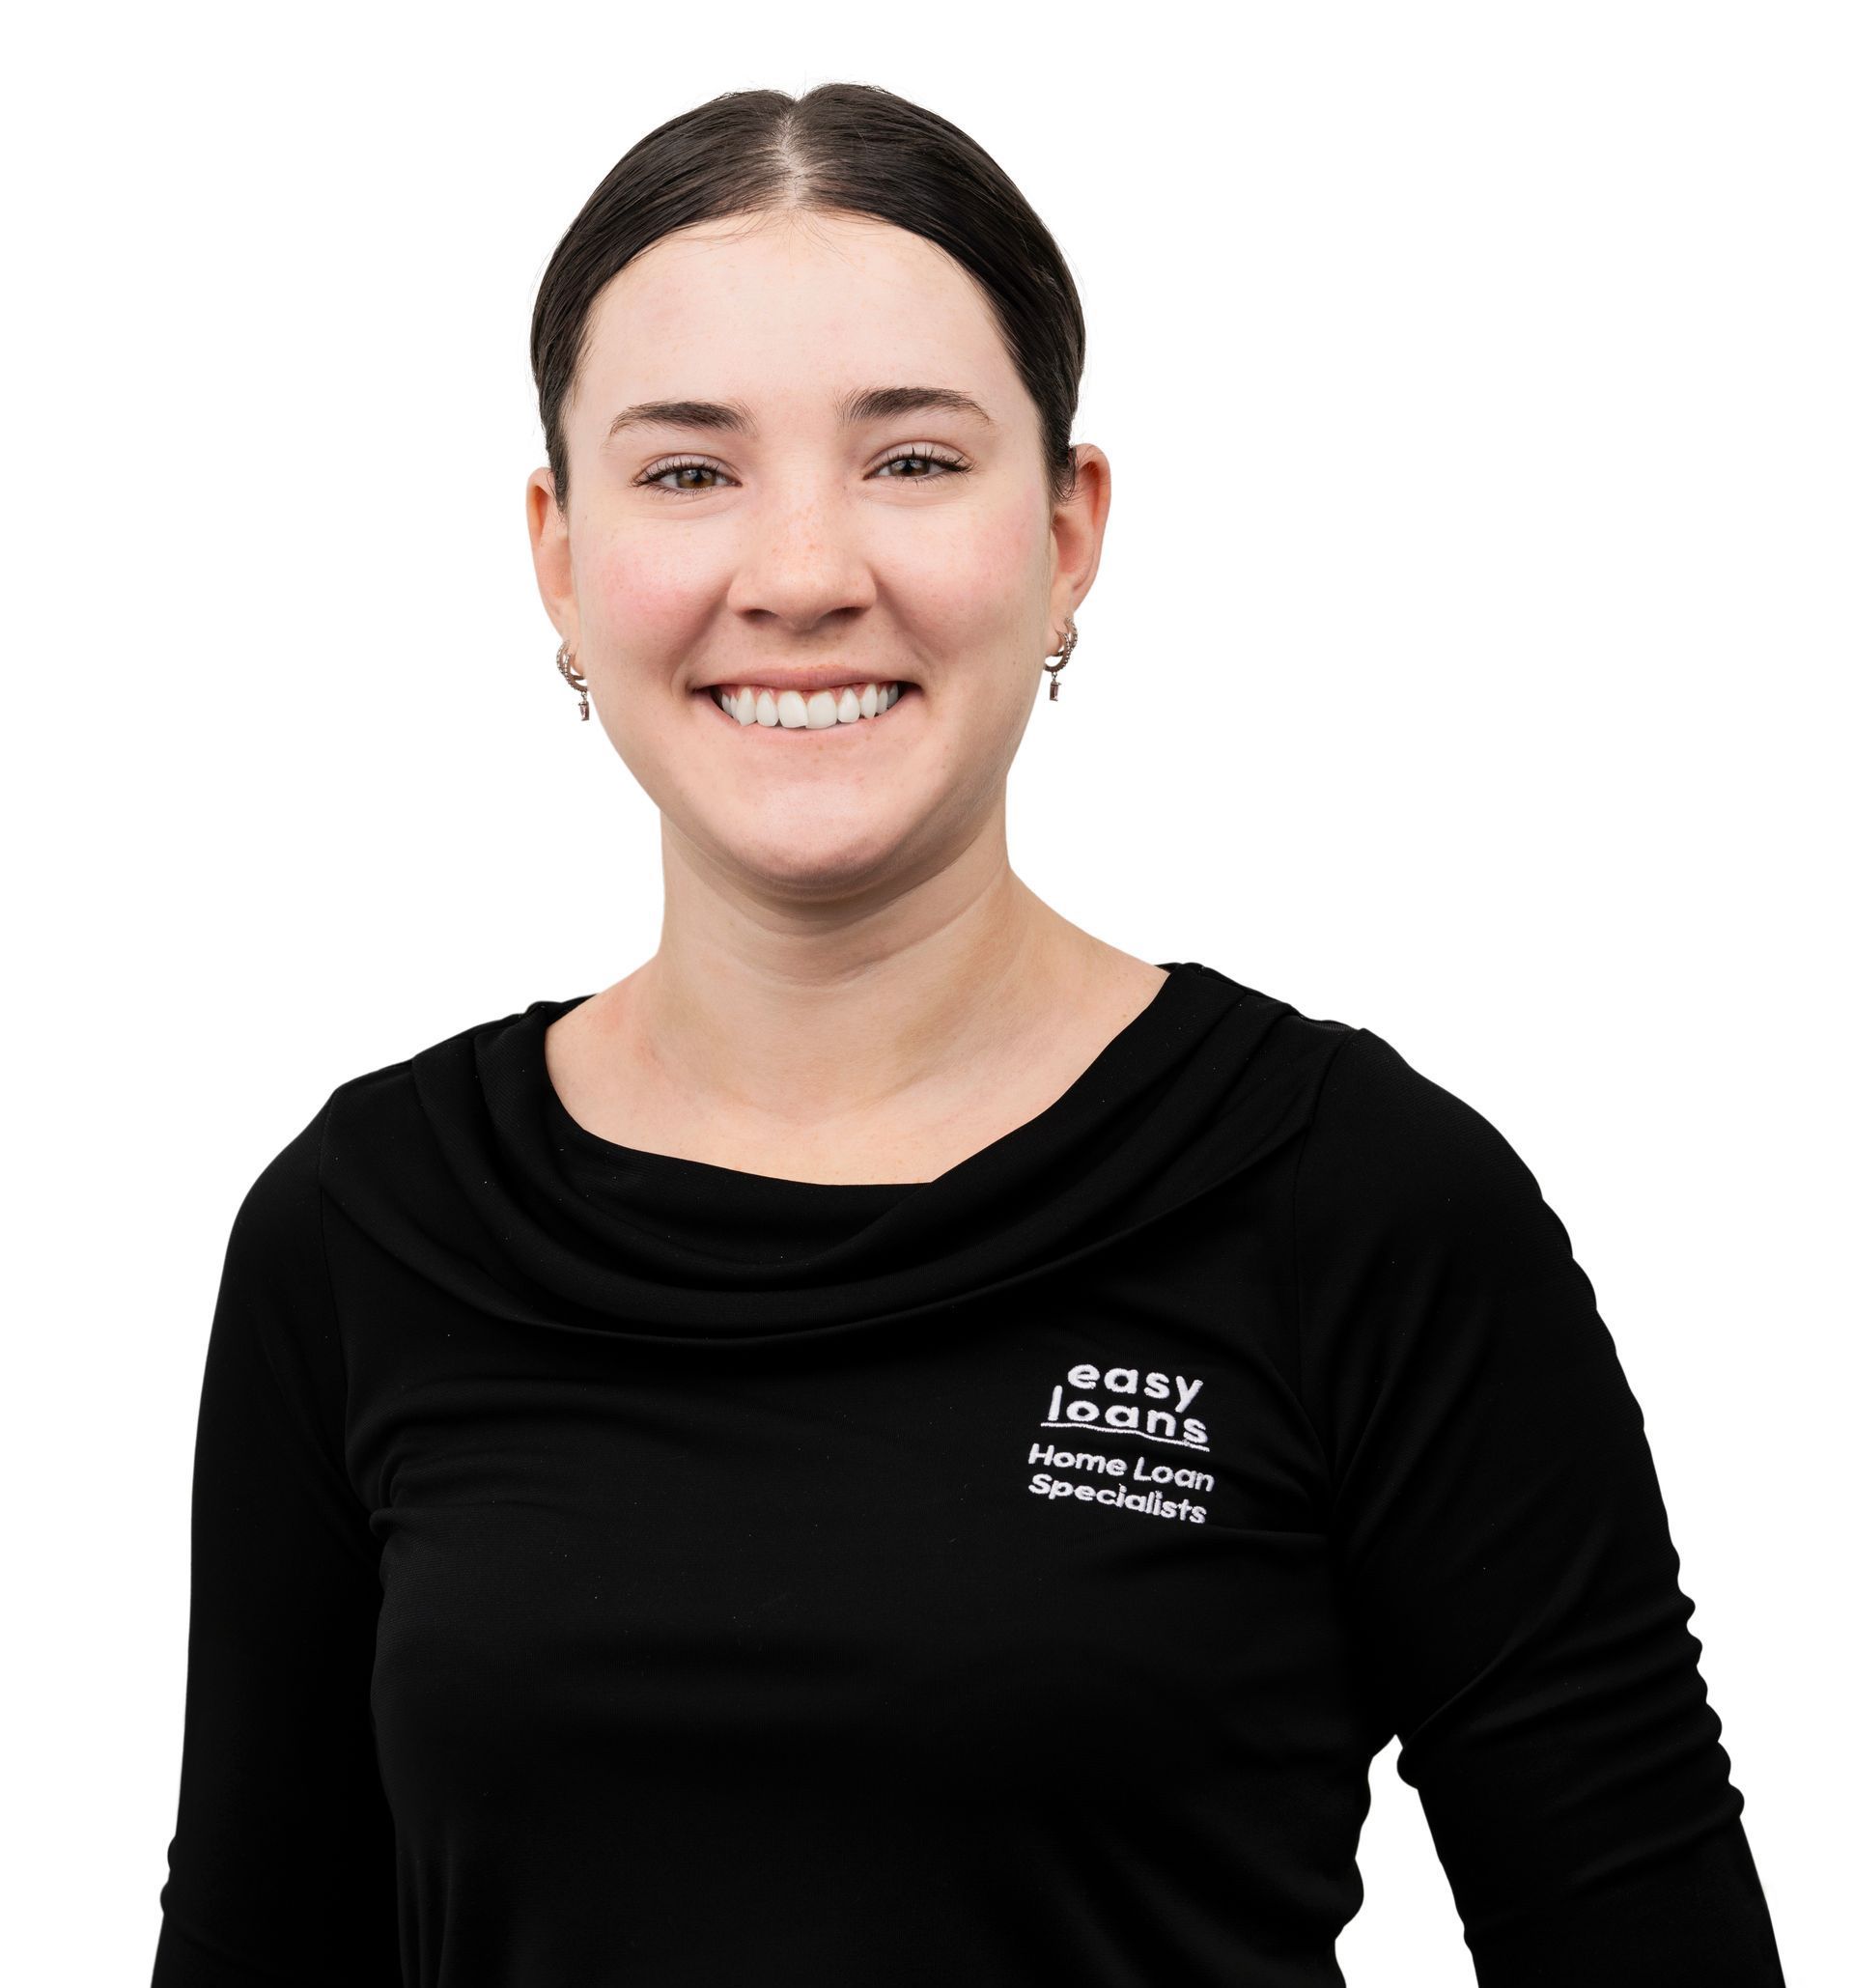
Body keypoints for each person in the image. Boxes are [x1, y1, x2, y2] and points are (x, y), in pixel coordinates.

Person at [151, 81, 1787, 1987]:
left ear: (1070, 530)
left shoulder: (1365, 1206)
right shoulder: (360, 1234)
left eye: (912, 461)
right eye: (688, 471)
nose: (803, 569)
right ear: (559, 554)